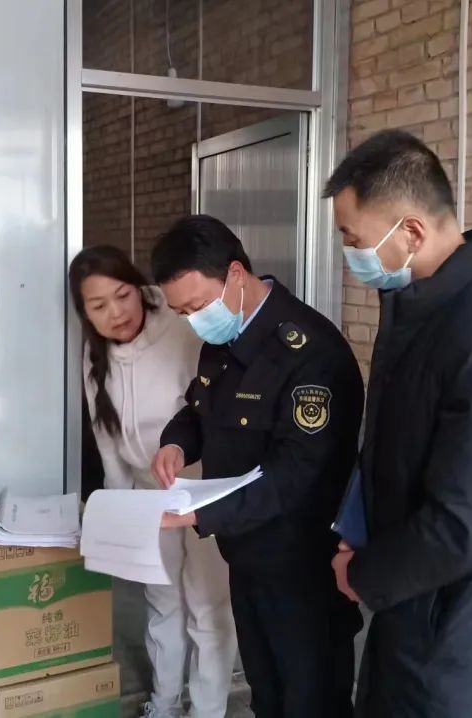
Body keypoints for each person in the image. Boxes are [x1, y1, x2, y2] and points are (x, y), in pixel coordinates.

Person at [325, 129, 472, 717]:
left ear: (410, 232)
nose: (351, 255)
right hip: (417, 619)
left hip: (470, 652)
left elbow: (465, 523)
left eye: (354, 239)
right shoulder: (422, 309)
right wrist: (356, 527)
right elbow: (396, 448)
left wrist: (363, 574)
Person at [148, 215, 365, 718]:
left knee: (310, 699)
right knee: (267, 693)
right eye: (182, 312)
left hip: (304, 565)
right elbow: (200, 409)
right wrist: (175, 444)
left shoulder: (311, 353)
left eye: (198, 305)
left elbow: (297, 474)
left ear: (236, 274)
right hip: (247, 554)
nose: (193, 320)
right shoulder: (223, 341)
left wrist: (201, 513)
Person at [69, 245, 238, 718]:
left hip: (199, 490)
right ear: (85, 314)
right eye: (98, 306)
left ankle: (206, 710)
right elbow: (107, 441)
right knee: (161, 601)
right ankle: (164, 704)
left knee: (208, 606)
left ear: (138, 287)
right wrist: (120, 511)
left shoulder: (181, 328)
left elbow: (210, 409)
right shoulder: (95, 355)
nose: (116, 313)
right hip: (148, 497)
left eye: (123, 295)